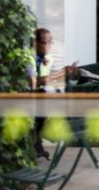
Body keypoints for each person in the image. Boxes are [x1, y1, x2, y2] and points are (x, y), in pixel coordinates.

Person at [27, 28, 78, 159]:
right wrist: (50, 78)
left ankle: (39, 142)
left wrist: (65, 72)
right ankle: (44, 136)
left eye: (51, 42)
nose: (49, 46)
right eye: (45, 42)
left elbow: (50, 78)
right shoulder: (28, 59)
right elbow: (33, 82)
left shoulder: (47, 58)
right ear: (35, 43)